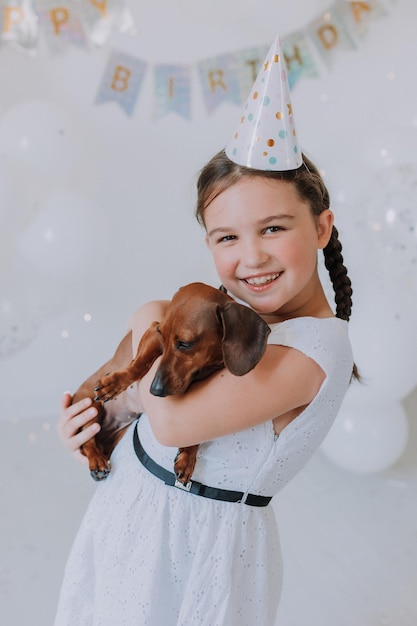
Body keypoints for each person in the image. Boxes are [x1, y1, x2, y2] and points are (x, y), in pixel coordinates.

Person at [54, 37, 356, 626]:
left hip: (201, 555)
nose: (252, 257)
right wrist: (96, 434)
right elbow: (143, 420)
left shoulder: (318, 346)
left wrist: (150, 313)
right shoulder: (227, 328)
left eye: (273, 227)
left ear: (321, 227)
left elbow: (170, 421)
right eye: (226, 238)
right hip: (131, 518)